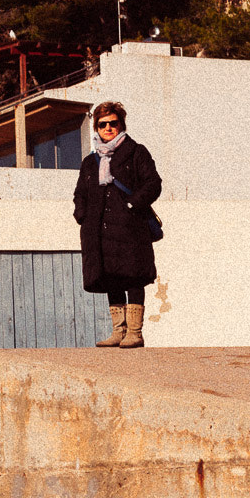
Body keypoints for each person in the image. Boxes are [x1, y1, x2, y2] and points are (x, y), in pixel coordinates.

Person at [74, 101, 162, 348]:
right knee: (109, 276)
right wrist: (82, 214)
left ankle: (134, 332)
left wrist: (132, 206)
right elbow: (80, 192)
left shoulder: (136, 152)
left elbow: (153, 183)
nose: (109, 128)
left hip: (130, 228)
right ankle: (118, 332)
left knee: (133, 277)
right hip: (99, 230)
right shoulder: (90, 162)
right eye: (103, 124)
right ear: (96, 128)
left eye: (114, 123)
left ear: (121, 124)